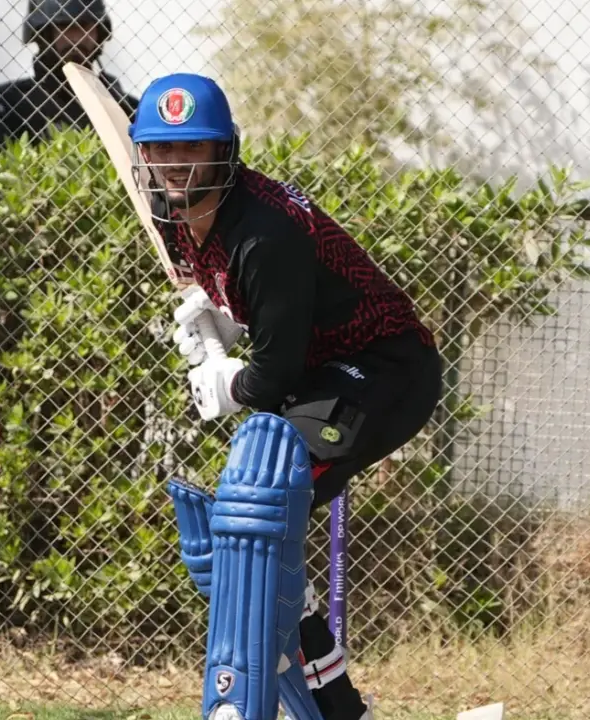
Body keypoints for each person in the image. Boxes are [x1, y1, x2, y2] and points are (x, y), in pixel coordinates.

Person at [134, 73, 444, 720]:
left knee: (258, 511)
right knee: (250, 536)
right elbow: (278, 314)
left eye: (191, 148)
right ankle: (335, 707)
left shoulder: (262, 233)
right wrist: (225, 312)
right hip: (323, 370)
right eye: (161, 149)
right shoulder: (184, 215)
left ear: (224, 152)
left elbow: (272, 378)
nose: (174, 164)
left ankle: (297, 702)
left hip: (382, 371)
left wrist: (230, 381)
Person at [0, 0, 139, 151]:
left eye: (85, 25)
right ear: (44, 34)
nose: (76, 38)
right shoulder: (9, 101)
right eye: (65, 25)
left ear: (99, 33)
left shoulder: (126, 106)